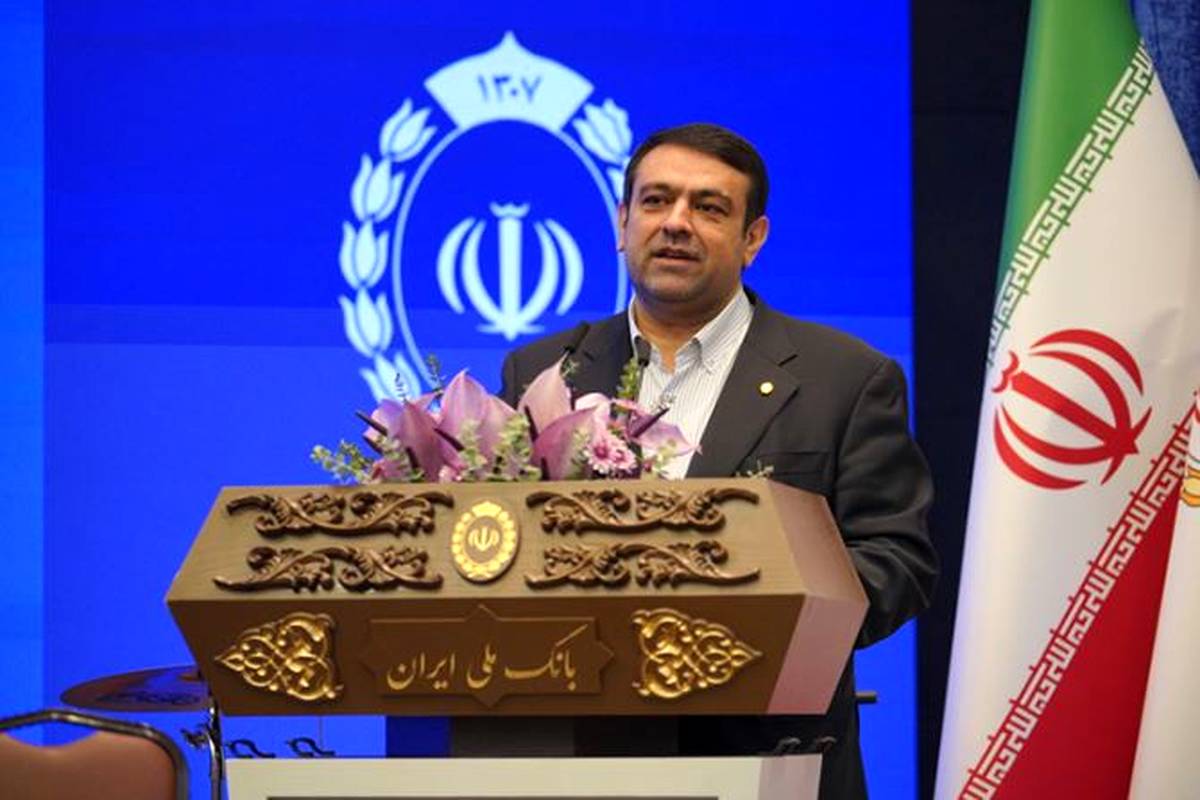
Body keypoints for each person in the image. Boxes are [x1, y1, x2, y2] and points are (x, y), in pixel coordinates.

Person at [499, 122, 937, 799]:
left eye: (708, 207)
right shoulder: (544, 370)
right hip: (575, 755)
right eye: (656, 201)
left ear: (752, 238)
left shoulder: (845, 379)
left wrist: (748, 623)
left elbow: (896, 560)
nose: (676, 223)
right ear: (621, 222)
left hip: (767, 759)